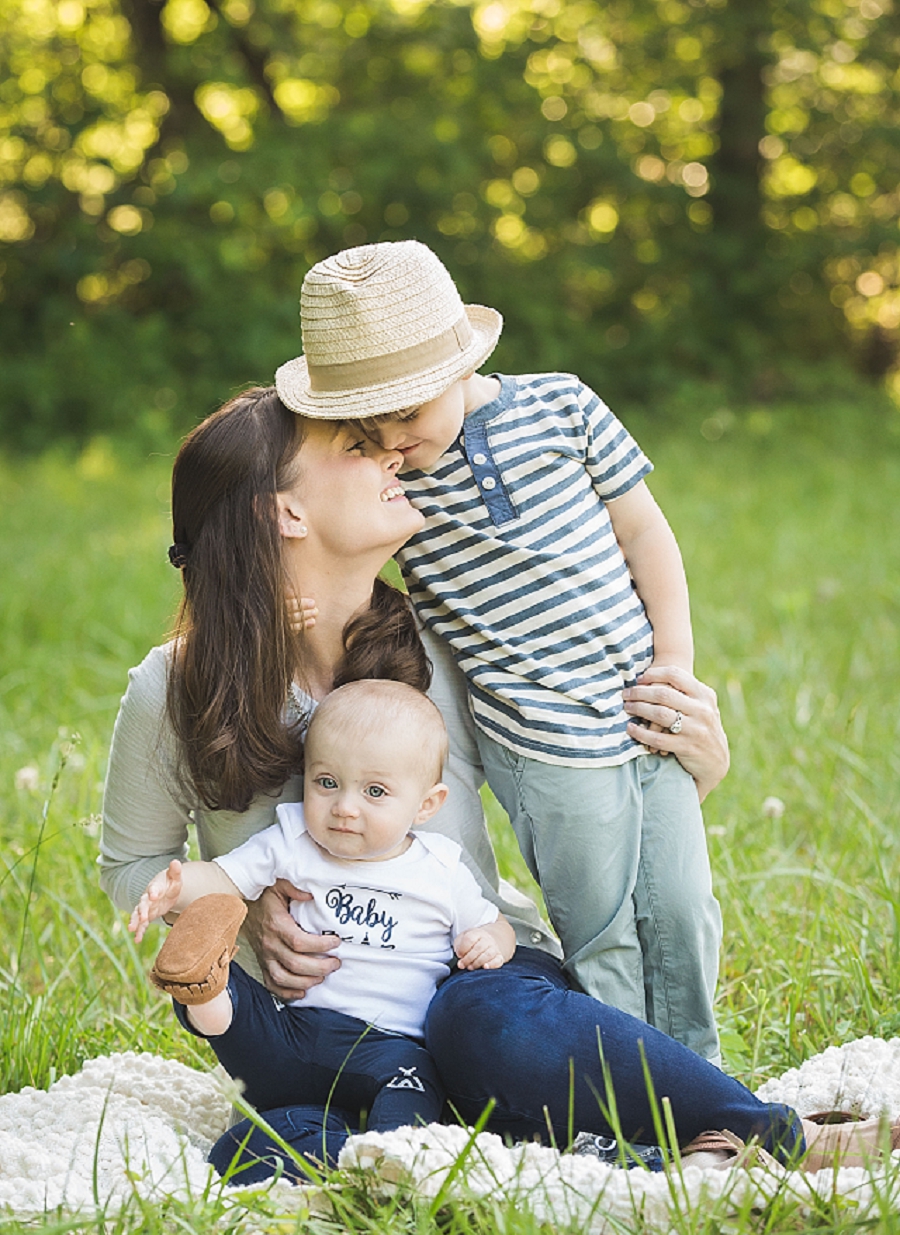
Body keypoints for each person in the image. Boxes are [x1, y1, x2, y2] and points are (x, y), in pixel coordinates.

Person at [100, 384, 886, 1186]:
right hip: (318, 1027)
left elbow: (572, 796)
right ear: (286, 513)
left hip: (474, 972)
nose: (392, 454)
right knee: (271, 1142)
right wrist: (242, 901)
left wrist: (689, 770)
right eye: (355, 448)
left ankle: (772, 1135)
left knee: (482, 1022)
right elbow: (132, 865)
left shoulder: (442, 646)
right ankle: (501, 1142)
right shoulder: (174, 687)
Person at [274, 240, 721, 1063]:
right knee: (602, 927)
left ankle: (701, 1070)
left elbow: (644, 530)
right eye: (368, 427)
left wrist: (676, 657)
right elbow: (330, 529)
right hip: (538, 735)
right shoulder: (393, 481)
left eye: (406, 415)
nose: (393, 443)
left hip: (640, 704)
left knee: (684, 904)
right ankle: (628, 1089)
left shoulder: (565, 407)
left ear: (461, 364)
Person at [127, 680, 514, 1167]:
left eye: (375, 791)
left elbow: (498, 926)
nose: (345, 807)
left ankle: (375, 1158)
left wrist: (489, 942)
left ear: (427, 804)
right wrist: (175, 888)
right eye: (326, 782)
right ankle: (208, 995)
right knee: (244, 1003)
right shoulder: (292, 841)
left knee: (408, 1086)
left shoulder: (441, 870)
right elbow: (225, 877)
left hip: (387, 1050)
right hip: (293, 1034)